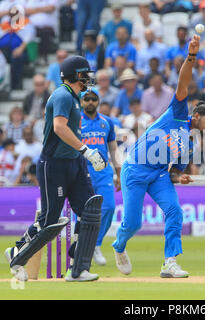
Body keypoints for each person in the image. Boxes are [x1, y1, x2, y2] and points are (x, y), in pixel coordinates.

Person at [112, 35, 205, 278]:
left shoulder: (190, 143)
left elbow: (173, 172)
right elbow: (183, 82)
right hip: (136, 170)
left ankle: (169, 262)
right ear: (197, 114)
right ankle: (119, 246)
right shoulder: (178, 112)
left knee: (175, 212)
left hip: (159, 175)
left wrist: (179, 177)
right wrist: (191, 56)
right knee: (133, 224)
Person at [4, 55, 107, 282]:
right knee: (50, 220)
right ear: (74, 75)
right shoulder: (62, 95)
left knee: (90, 211)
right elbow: (60, 128)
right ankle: (17, 252)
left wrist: (81, 156)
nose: (87, 78)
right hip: (54, 165)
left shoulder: (72, 97)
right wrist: (87, 151)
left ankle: (78, 268)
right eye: (84, 74)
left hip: (74, 163)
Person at [79, 88, 122, 266]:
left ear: (98, 101)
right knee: (82, 211)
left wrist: (119, 172)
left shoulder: (107, 122)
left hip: (103, 171)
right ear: (81, 102)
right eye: (86, 99)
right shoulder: (76, 121)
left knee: (109, 207)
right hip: (82, 170)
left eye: (93, 99)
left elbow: (113, 149)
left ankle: (95, 244)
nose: (90, 102)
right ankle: (81, 246)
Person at [25, 0, 58, 64]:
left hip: (48, 28)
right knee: (27, 33)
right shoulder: (31, 1)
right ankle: (31, 58)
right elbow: (27, 11)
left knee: (45, 32)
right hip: (33, 28)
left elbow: (51, 8)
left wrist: (35, 10)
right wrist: (43, 9)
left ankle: (43, 56)